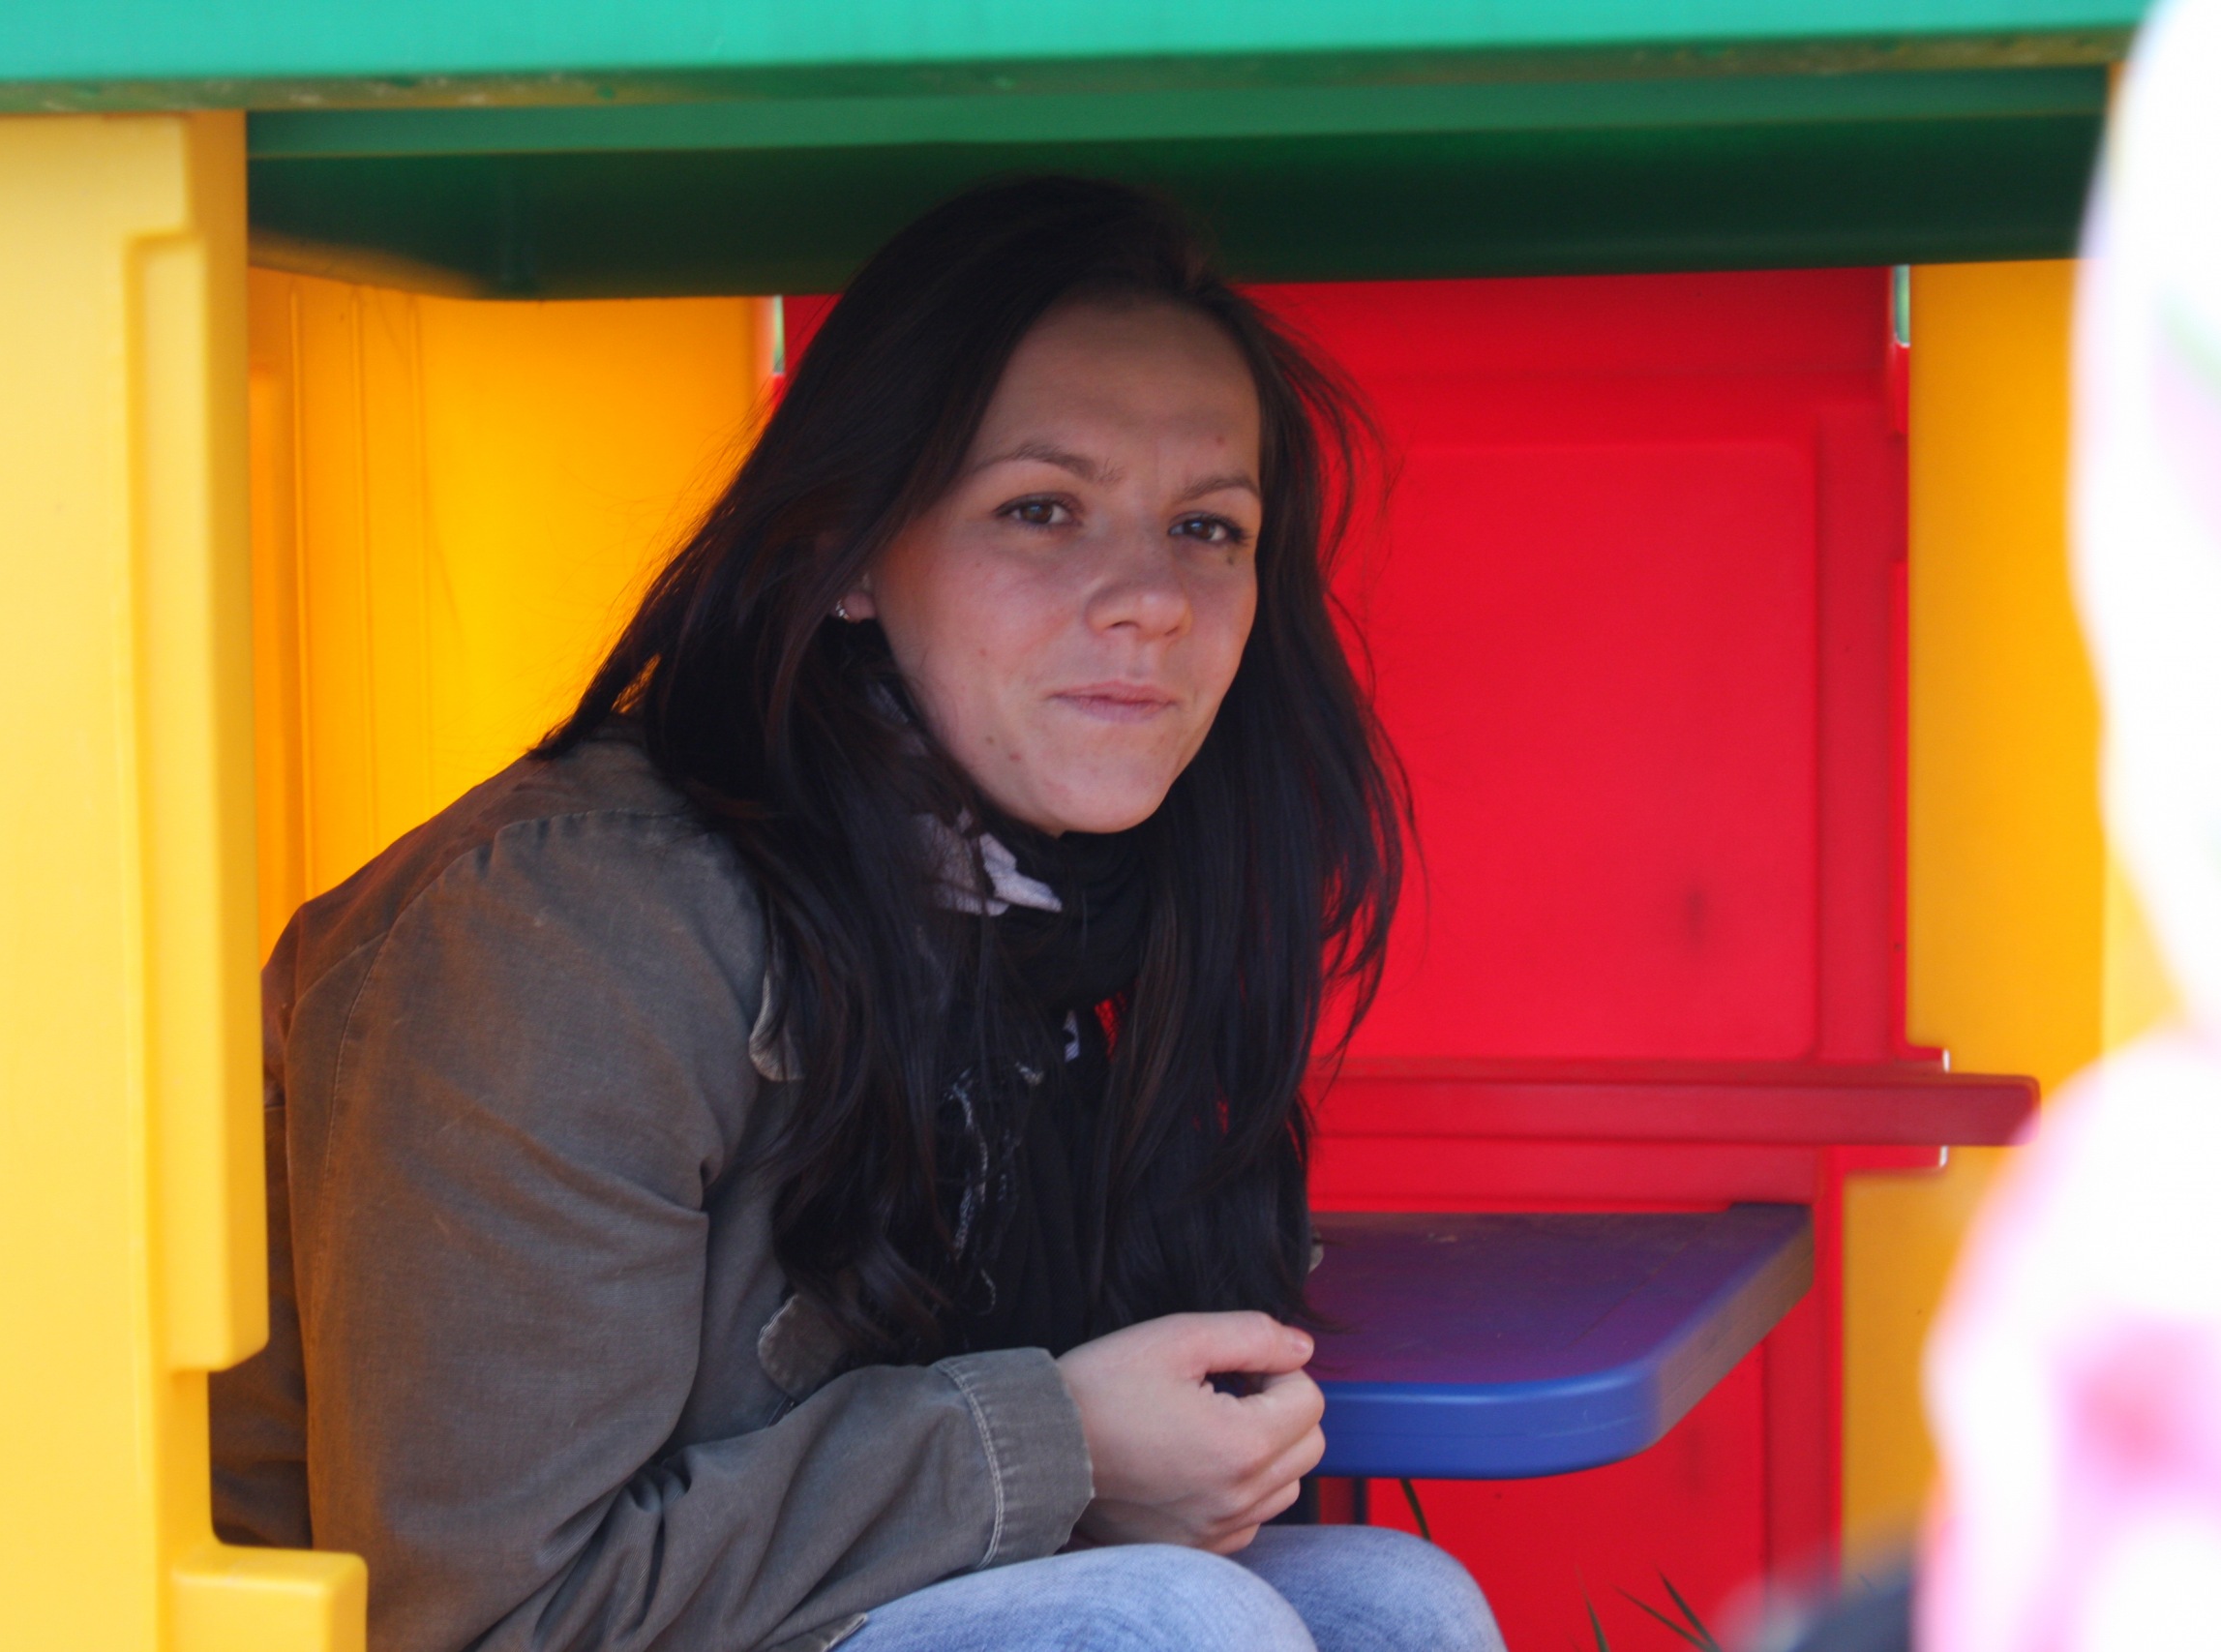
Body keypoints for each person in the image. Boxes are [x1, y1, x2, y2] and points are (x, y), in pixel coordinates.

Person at [211, 174, 1505, 1652]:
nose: (1151, 598)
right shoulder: (560, 936)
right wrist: (1054, 1446)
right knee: (1171, 1628)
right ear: (847, 556)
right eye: (1042, 509)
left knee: (1392, 1608)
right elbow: (485, 1615)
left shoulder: (1065, 901)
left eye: (1208, 527)